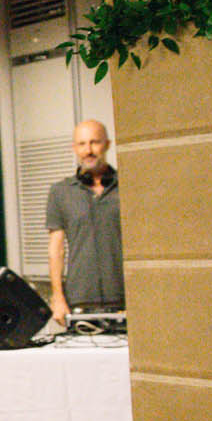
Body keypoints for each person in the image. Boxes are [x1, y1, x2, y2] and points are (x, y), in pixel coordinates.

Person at [46, 119, 123, 323]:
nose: (88, 150)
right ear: (74, 148)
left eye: (94, 142)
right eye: (82, 144)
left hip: (126, 298)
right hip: (79, 300)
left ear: (107, 144)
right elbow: (56, 250)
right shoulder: (60, 192)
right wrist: (58, 298)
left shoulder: (128, 186)